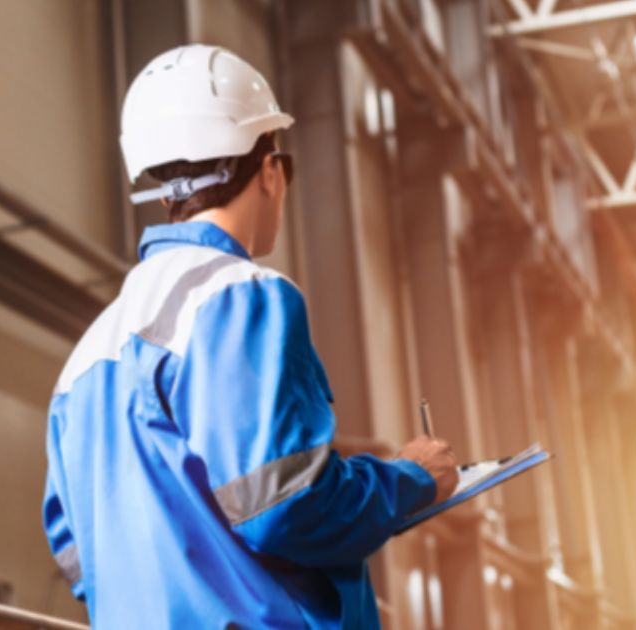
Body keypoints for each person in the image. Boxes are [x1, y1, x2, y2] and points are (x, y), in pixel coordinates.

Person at [42, 44, 459, 629]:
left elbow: (78, 554)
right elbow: (284, 505)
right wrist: (412, 479)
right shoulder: (242, 295)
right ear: (271, 172)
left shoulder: (87, 355)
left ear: (166, 193)